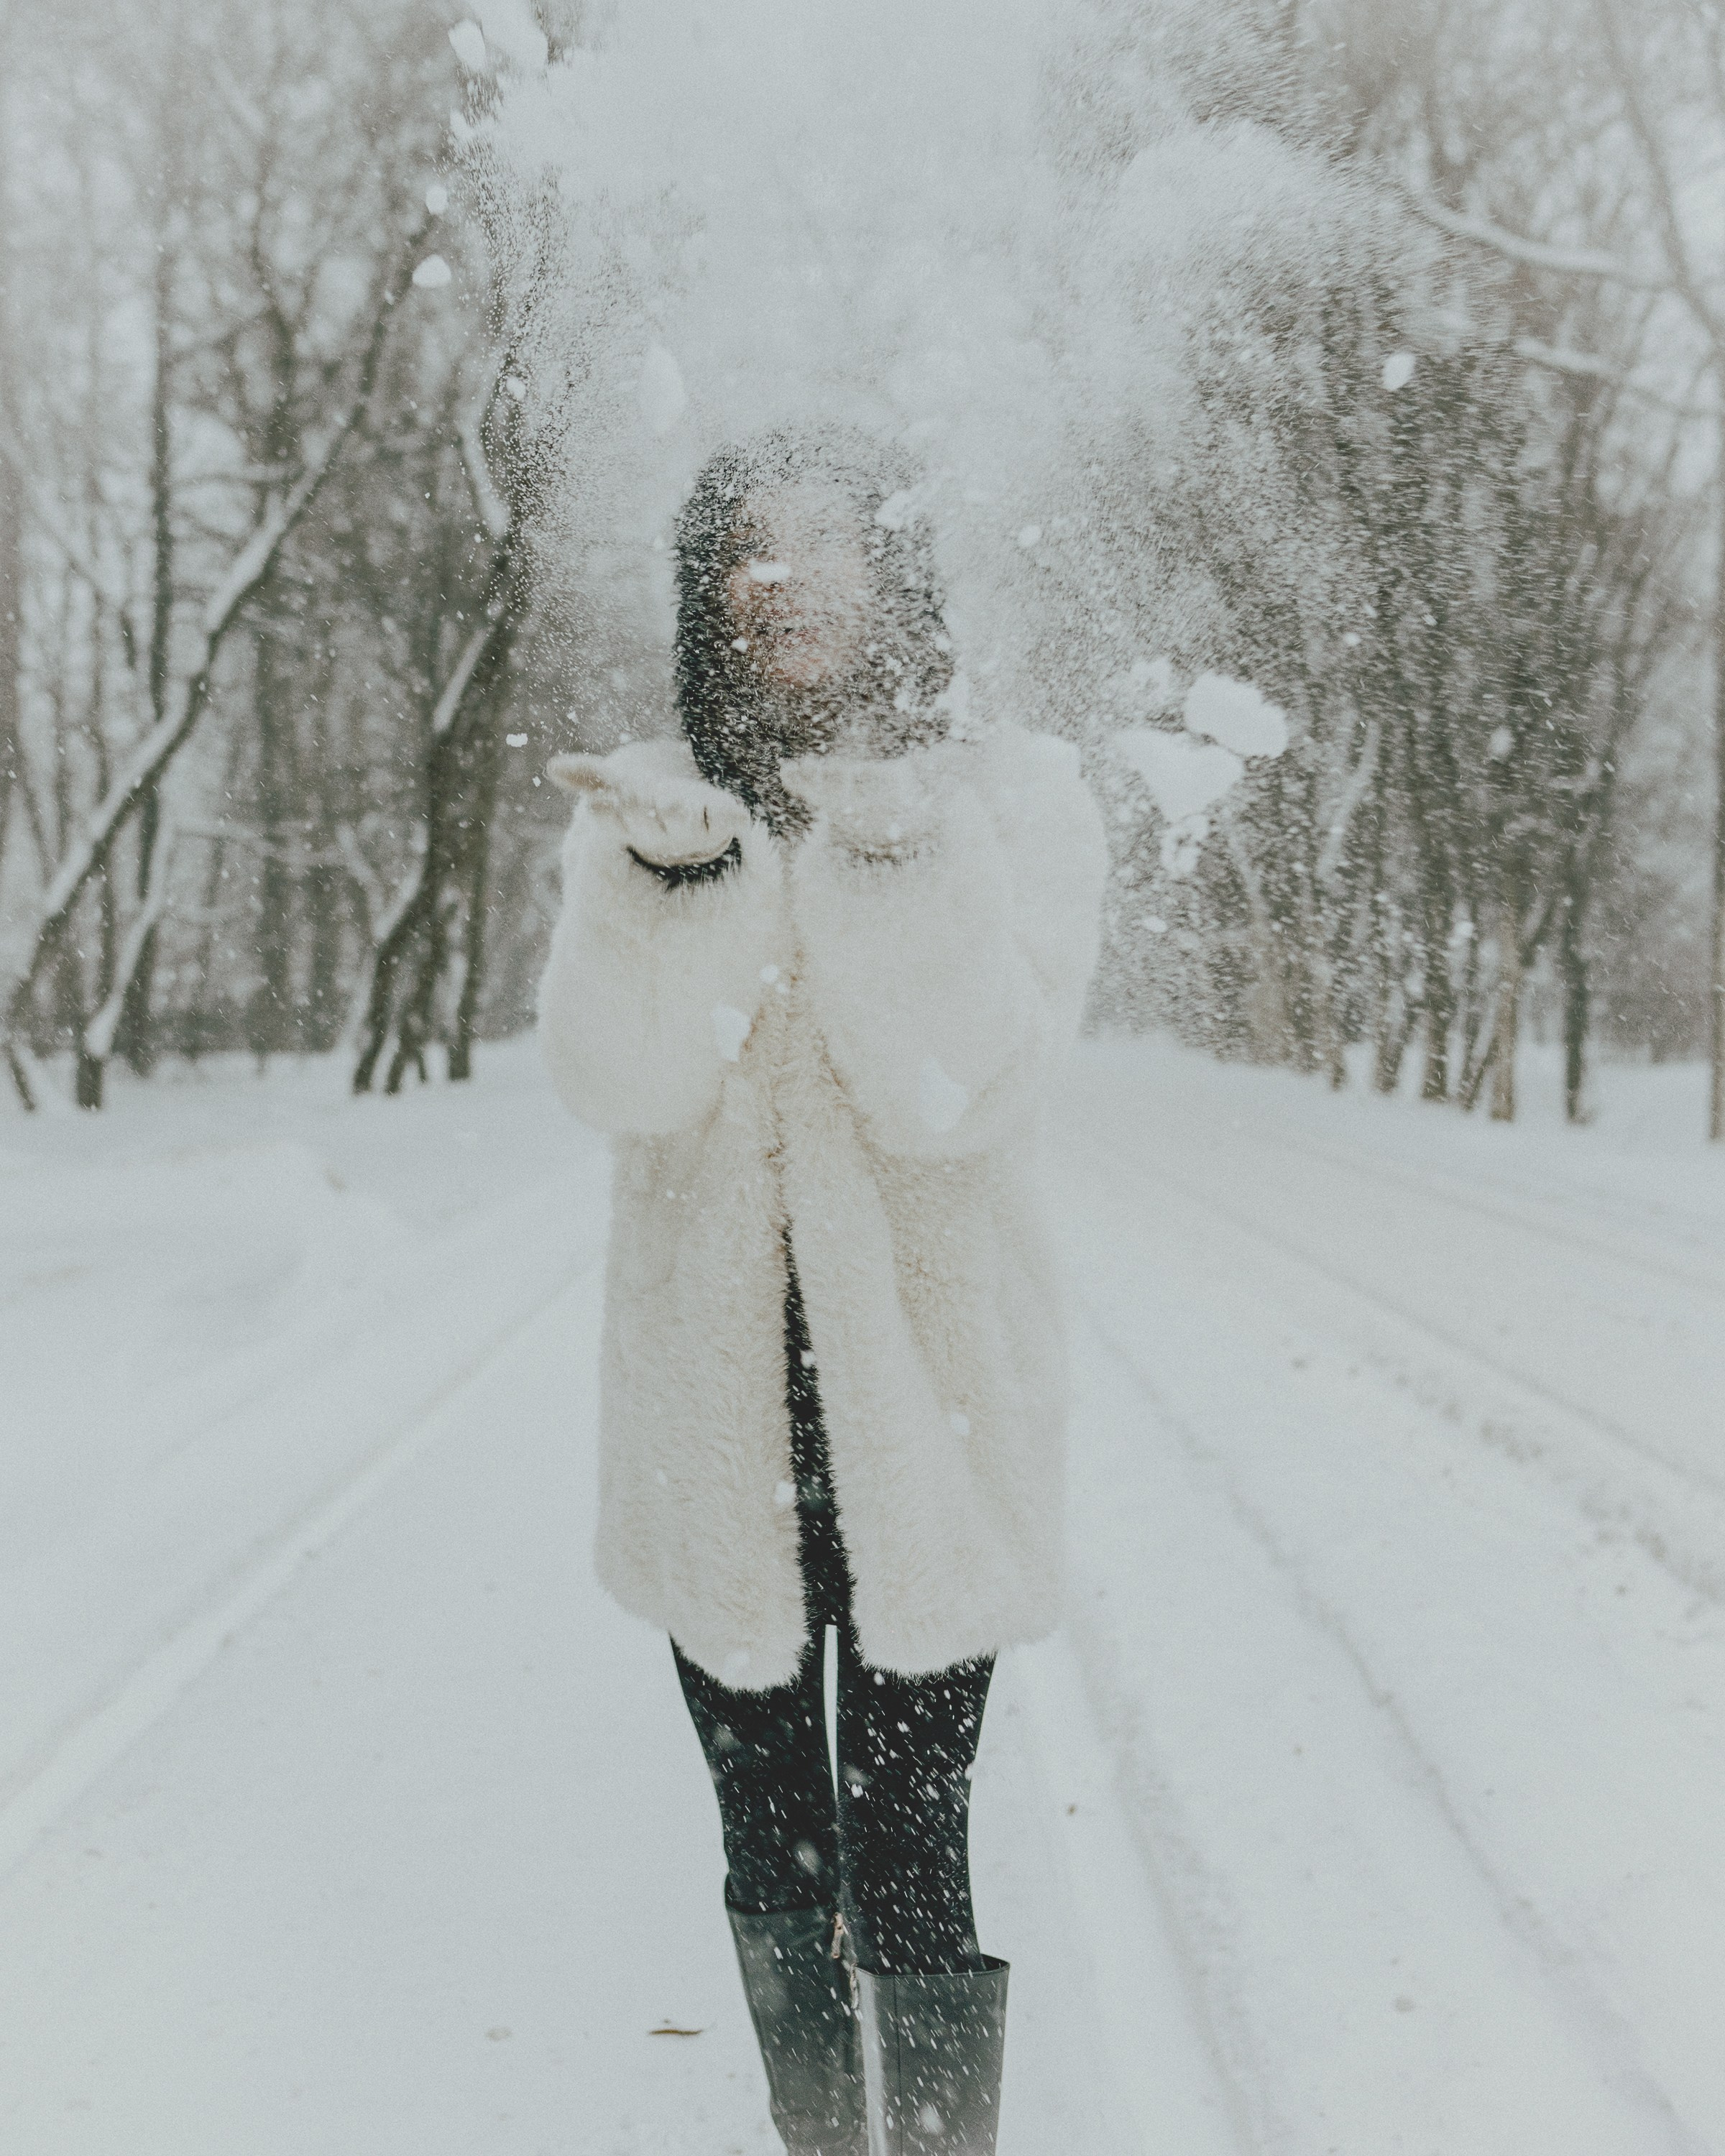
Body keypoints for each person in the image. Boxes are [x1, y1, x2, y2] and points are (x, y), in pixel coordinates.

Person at [537, 425, 1105, 2156]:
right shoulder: (645, 806)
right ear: (708, 591)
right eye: (749, 551)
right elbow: (616, 1082)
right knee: (767, 1833)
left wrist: (888, 851)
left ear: (896, 571)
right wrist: (685, 885)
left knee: (911, 1839)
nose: (787, 582)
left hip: (930, 1414)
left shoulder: (1012, 797)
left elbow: (960, 1094)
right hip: (719, 1424)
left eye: (830, 542)